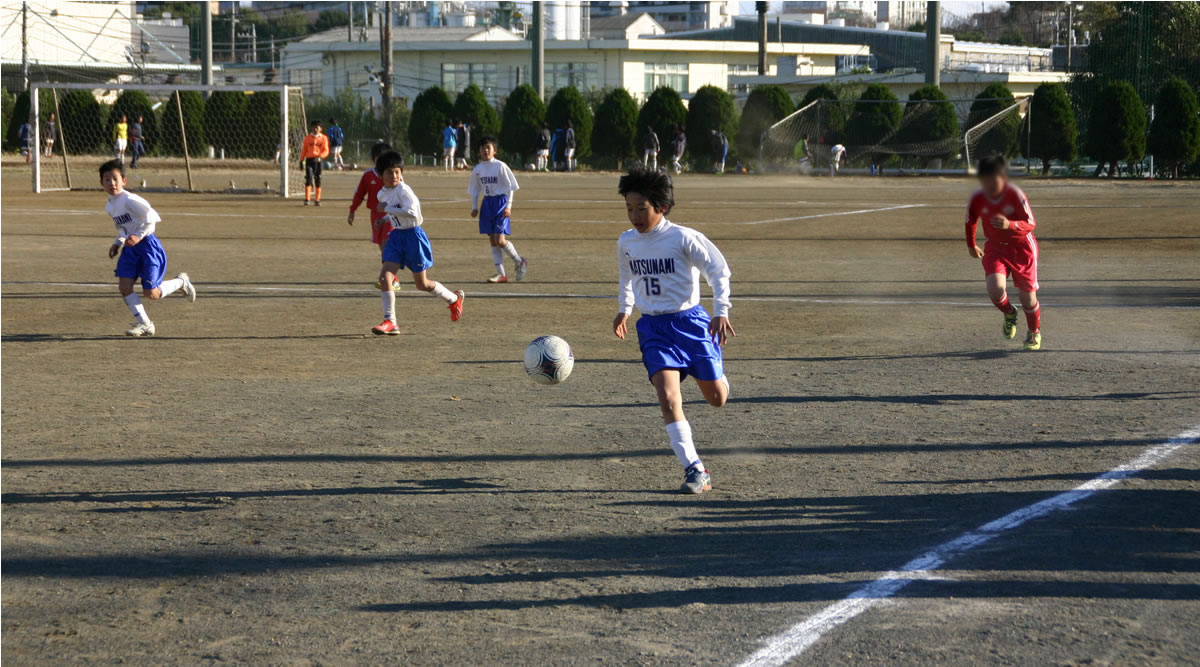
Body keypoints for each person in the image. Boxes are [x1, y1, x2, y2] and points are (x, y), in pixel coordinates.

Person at [612, 166, 734, 494]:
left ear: (661, 207)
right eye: (629, 208)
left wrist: (721, 312)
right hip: (654, 328)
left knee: (717, 399)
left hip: (691, 324)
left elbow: (718, 272)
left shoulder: (682, 238)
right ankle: (695, 469)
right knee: (667, 397)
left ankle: (717, 373)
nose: (634, 216)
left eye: (642, 208)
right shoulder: (626, 242)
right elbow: (627, 277)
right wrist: (624, 309)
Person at [370, 150, 465, 335]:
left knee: (422, 284)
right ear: (381, 175)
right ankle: (390, 321)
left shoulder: (404, 190)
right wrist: (384, 219)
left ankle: (453, 299)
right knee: (384, 277)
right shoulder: (383, 193)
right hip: (397, 237)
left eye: (397, 171)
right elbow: (395, 212)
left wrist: (387, 209)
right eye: (389, 172)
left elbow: (412, 212)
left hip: (414, 237)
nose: (395, 176)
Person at [100, 159, 196, 337]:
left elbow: (152, 220)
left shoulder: (130, 200)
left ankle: (182, 282)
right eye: (107, 180)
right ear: (101, 183)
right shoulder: (110, 206)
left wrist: (138, 236)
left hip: (148, 247)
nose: (112, 183)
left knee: (152, 293)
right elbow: (123, 229)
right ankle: (145, 324)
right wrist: (118, 243)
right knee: (124, 286)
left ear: (124, 181)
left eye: (115, 179)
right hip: (130, 248)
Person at [965, 155, 1042, 351]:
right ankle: (1009, 313)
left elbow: (1031, 223)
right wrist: (971, 245)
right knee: (995, 289)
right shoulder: (977, 198)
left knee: (1028, 298)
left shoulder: (1015, 194)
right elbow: (970, 220)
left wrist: (1010, 224)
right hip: (996, 248)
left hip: (1022, 248)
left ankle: (1034, 332)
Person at [469, 136, 526, 284]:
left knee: (500, 240)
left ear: (495, 150)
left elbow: (510, 187)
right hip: (487, 204)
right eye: (482, 148)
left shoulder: (500, 166)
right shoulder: (477, 170)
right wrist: (475, 207)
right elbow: (475, 190)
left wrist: (508, 206)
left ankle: (520, 261)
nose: (485, 151)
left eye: (488, 148)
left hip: (500, 203)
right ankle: (501, 274)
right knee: (492, 241)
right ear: (479, 152)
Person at [349, 141, 402, 292]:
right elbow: (359, 194)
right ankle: (389, 276)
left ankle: (392, 279)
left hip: (391, 214)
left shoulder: (394, 176)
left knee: (387, 244)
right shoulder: (367, 176)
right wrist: (352, 210)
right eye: (379, 157)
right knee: (382, 246)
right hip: (375, 215)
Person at [300, 120, 329, 206]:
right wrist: (301, 160)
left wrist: (320, 156)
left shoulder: (324, 138)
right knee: (308, 178)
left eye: (317, 127)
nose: (315, 129)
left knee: (318, 179)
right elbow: (304, 150)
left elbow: (326, 150)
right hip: (309, 160)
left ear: (320, 129)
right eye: (313, 127)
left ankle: (317, 199)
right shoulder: (307, 138)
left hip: (318, 161)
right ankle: (307, 199)